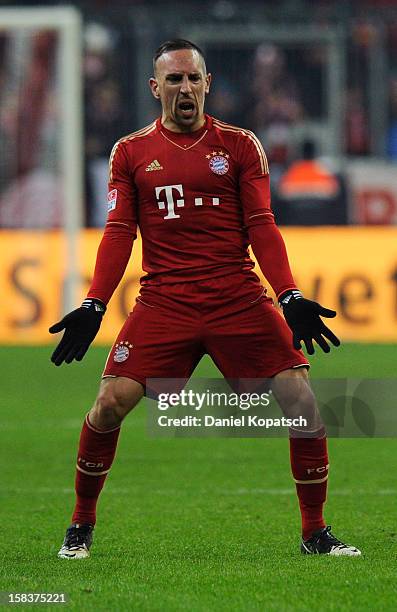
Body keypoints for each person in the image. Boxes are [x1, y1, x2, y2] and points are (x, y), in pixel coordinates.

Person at [50, 39, 360, 559]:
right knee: (108, 405)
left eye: (193, 78)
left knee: (302, 400)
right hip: (164, 301)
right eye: (174, 80)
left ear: (208, 83)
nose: (185, 88)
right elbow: (119, 232)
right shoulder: (130, 152)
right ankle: (80, 526)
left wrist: (289, 295)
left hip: (235, 294)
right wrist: (94, 304)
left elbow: (261, 225)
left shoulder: (241, 146)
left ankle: (315, 533)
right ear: (156, 88)